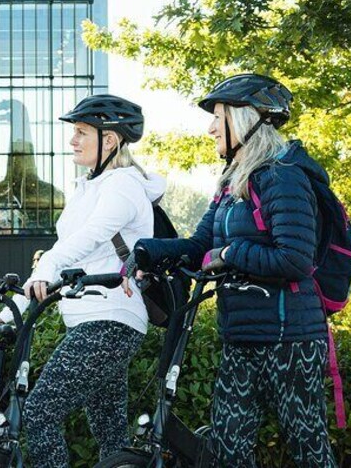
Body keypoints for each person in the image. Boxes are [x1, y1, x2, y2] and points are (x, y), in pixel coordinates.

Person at [132, 74, 335, 467]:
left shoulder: (283, 176)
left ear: (245, 120)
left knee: (308, 448)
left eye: (217, 117)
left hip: (290, 338)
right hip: (240, 336)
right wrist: (145, 253)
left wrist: (232, 252)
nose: (210, 128)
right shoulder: (231, 183)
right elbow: (199, 247)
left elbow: (295, 259)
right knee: (228, 451)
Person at [0, 95, 166, 467]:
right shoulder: (89, 186)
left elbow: (90, 237)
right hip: (94, 321)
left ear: (110, 140)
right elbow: (64, 251)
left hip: (109, 321)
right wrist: (14, 309)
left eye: (82, 132)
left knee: (40, 412)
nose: (73, 140)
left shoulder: (123, 185)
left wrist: (48, 266)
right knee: (111, 436)